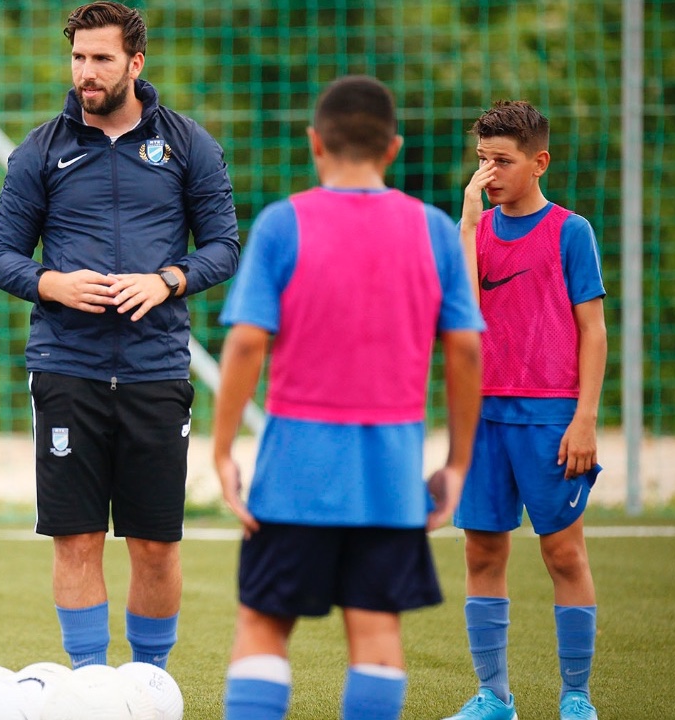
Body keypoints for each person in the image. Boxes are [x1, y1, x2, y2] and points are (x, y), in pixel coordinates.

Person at [212, 75, 484, 720]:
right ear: (393, 148)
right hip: (389, 473)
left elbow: (248, 343)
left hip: (294, 468)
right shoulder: (434, 229)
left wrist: (223, 452)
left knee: (263, 624)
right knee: (376, 628)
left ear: (315, 143)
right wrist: (459, 463)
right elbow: (467, 349)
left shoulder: (284, 222)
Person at [0, 1, 240, 670]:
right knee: (75, 539)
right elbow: (3, 256)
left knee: (156, 545)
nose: (87, 72)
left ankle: (150, 685)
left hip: (157, 367)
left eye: (101, 58)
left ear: (136, 62)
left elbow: (223, 247)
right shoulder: (39, 150)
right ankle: (92, 688)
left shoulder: (189, 145)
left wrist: (169, 280)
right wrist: (52, 284)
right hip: (66, 365)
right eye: (78, 57)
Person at [443, 100, 607, 720]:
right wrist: (465, 225)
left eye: (502, 161)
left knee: (563, 553)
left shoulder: (572, 231)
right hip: (481, 418)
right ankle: (494, 696)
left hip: (550, 416)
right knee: (482, 552)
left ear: (539, 163)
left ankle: (575, 697)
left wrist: (584, 417)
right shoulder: (477, 232)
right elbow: (462, 313)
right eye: (482, 159)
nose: (489, 173)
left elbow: (593, 331)